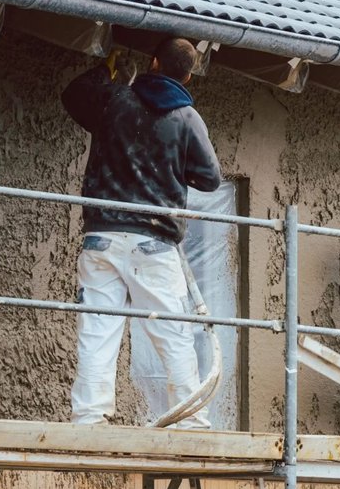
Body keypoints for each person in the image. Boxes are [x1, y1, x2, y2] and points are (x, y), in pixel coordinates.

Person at [61, 36, 222, 429]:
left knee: (98, 331)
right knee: (173, 334)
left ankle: (89, 417)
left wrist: (106, 70)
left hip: (102, 236)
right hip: (154, 242)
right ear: (188, 75)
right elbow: (211, 179)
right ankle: (190, 421)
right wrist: (172, 162)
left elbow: (74, 95)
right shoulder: (186, 118)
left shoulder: (114, 100)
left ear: (152, 63)